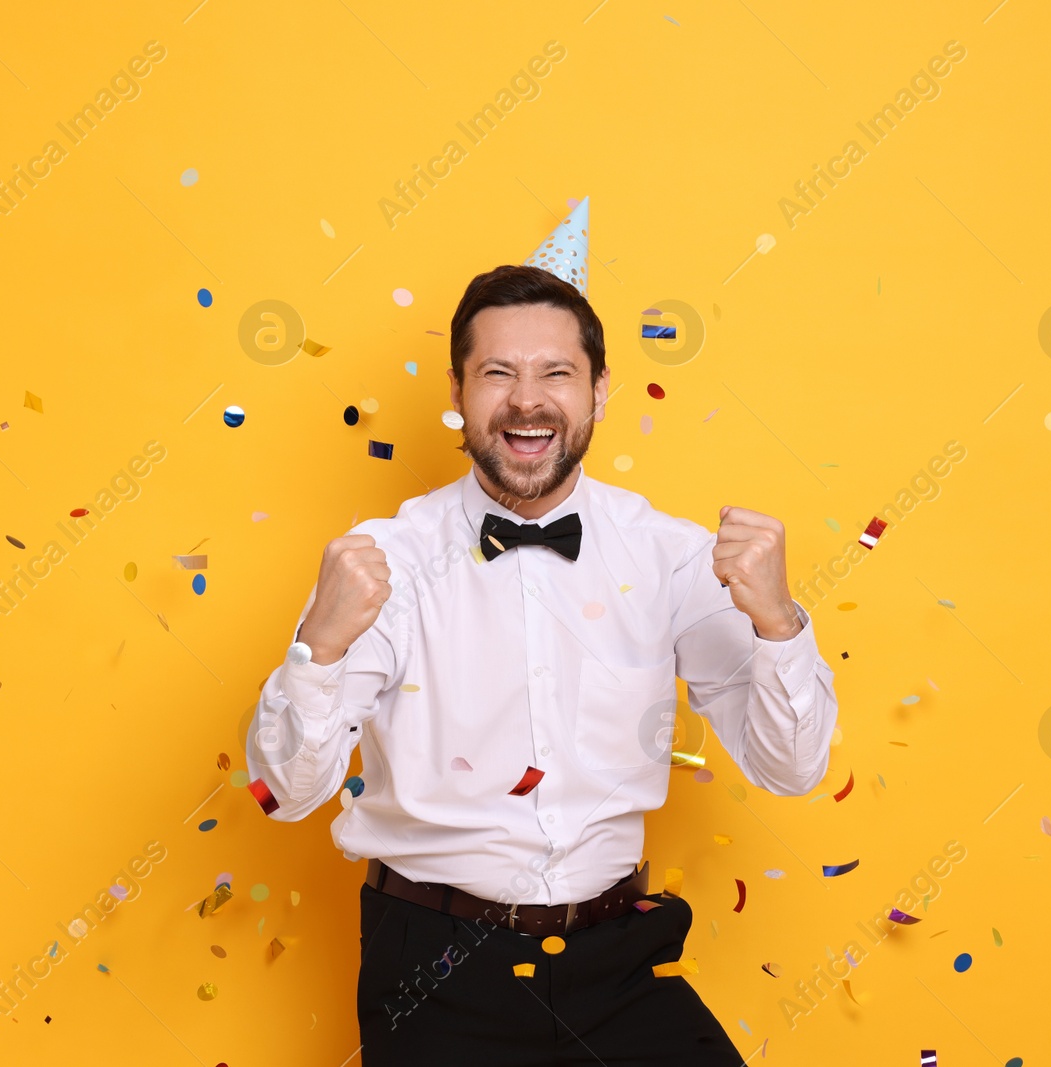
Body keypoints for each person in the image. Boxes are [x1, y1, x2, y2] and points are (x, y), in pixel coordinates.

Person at [245, 263, 839, 1066]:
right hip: (436, 970)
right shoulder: (385, 561)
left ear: (599, 392)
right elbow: (283, 793)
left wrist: (777, 620)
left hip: (618, 961)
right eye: (498, 373)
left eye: (556, 372)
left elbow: (793, 769)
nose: (528, 400)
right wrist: (318, 646)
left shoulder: (669, 556)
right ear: (457, 390)